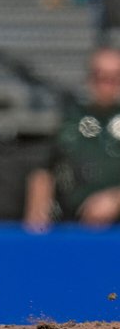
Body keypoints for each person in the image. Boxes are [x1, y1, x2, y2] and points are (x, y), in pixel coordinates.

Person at [24, 47, 120, 231]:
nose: (107, 84)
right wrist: (37, 216)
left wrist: (115, 199)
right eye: (100, 76)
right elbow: (44, 171)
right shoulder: (70, 120)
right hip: (72, 226)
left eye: (114, 77)